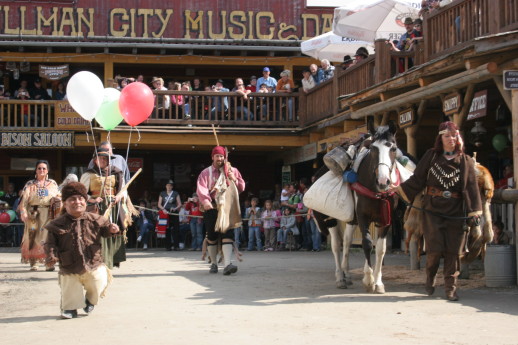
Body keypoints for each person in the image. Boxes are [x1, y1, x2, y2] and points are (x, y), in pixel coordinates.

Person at [393, 121, 482, 301]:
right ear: (440, 138)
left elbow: (471, 187)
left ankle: (450, 288)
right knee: (434, 251)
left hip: (456, 212)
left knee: (454, 251)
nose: (451, 139)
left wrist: (475, 213)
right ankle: (430, 277)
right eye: (447, 136)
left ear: (459, 138)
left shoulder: (465, 160)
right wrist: (397, 191)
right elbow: (417, 179)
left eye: (454, 136)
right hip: (432, 210)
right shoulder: (431, 156)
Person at [44, 182, 120, 319]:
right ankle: (70, 309)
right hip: (69, 265)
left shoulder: (95, 219)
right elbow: (50, 244)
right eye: (72, 199)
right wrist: (51, 256)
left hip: (93, 262)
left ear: (85, 202)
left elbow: (106, 229)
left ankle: (90, 301)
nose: (77, 202)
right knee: (70, 285)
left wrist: (112, 229)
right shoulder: (56, 224)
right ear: (65, 204)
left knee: (99, 281)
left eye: (80, 199)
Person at [80, 148, 134, 269]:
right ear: (95, 160)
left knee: (112, 230)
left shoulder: (117, 172)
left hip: (112, 207)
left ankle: (110, 260)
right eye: (101, 158)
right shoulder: (88, 174)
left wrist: (119, 197)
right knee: (97, 233)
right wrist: (92, 199)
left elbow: (123, 190)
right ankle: (97, 260)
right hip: (96, 208)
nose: (103, 160)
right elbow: (82, 192)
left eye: (106, 158)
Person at [197, 145, 245, 275]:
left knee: (227, 235)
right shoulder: (206, 172)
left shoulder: (232, 170)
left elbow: (241, 187)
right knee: (211, 236)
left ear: (225, 157)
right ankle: (213, 263)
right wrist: (206, 201)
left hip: (227, 207)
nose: (220, 158)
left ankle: (227, 264)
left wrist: (233, 178)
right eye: (217, 156)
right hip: (212, 207)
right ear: (212, 157)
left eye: (222, 156)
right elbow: (201, 188)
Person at [19, 160, 61, 271]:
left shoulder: (52, 184)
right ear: (36, 170)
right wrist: (23, 212)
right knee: (33, 236)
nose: (41, 170)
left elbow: (59, 196)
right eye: (39, 168)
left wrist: (57, 202)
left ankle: (49, 261)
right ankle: (34, 262)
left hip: (48, 213)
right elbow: (23, 201)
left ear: (47, 170)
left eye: (44, 168)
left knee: (48, 238)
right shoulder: (30, 184)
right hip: (33, 213)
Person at [157, 180, 182, 251]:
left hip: (174, 212)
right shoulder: (162, 193)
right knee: (167, 229)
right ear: (166, 186)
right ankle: (168, 246)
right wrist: (163, 209)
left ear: (172, 186)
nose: (169, 187)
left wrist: (175, 208)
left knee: (176, 229)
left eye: (170, 185)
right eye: (168, 185)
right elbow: (159, 204)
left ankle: (176, 246)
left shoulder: (175, 193)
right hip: (165, 213)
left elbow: (180, 204)